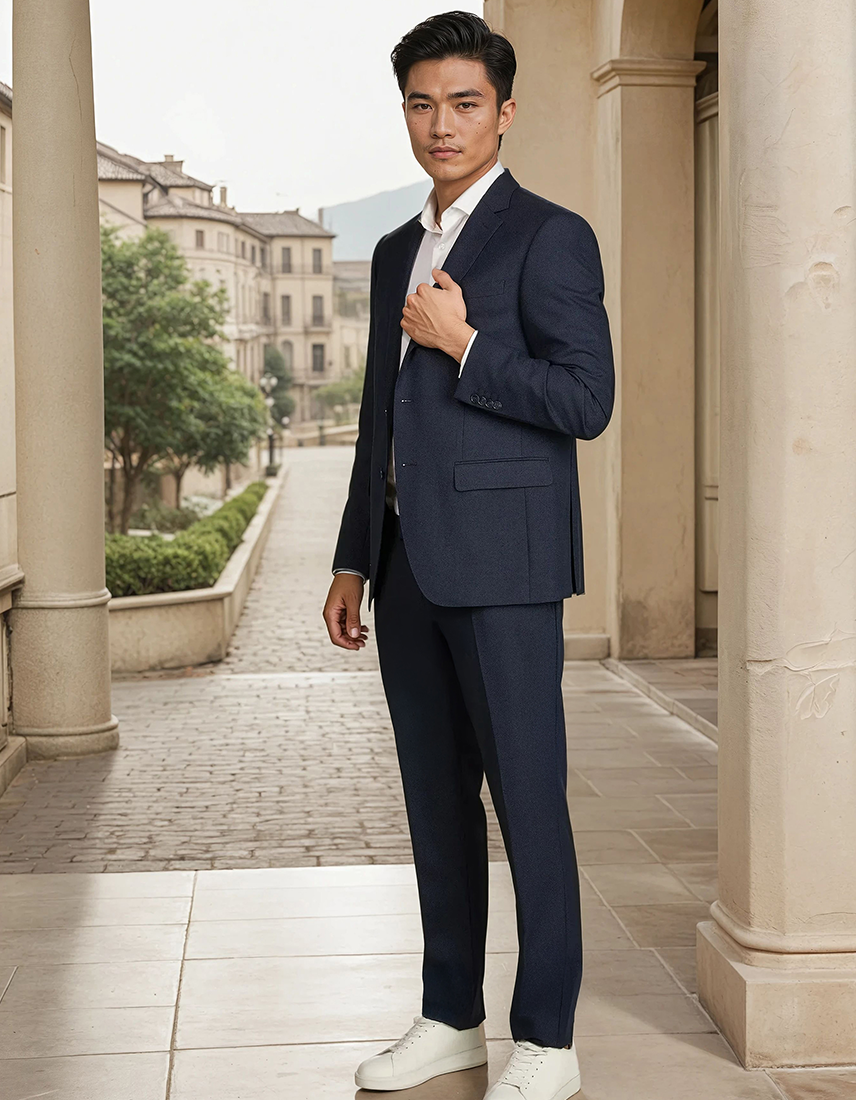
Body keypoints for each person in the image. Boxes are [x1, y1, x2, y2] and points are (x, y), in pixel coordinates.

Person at [322, 10, 614, 1098]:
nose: (439, 124)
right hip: (407, 567)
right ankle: (448, 1015)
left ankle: (547, 1036)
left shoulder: (550, 235)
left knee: (528, 798)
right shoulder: (398, 247)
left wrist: (469, 345)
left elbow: (588, 400)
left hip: (507, 566)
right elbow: (376, 416)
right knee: (435, 801)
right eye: (420, 102)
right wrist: (356, 554)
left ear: (503, 110)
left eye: (462, 103)